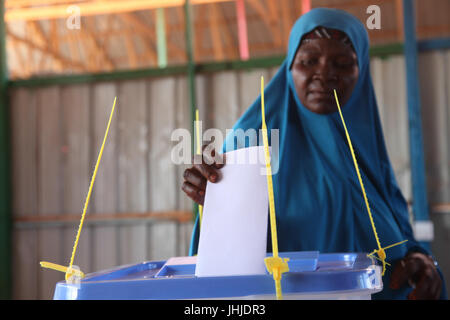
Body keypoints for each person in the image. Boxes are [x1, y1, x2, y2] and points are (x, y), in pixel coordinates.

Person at [181, 8, 446, 300]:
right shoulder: (250, 146)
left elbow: (401, 241)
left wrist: (423, 261)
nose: (324, 74)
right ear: (289, 68)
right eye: (308, 61)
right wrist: (216, 201)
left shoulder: (366, 151)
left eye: (342, 63)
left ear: (362, 72)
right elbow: (222, 266)